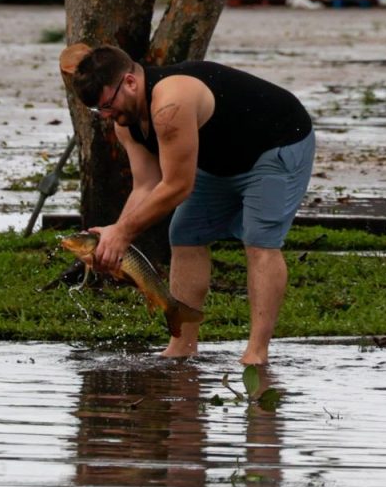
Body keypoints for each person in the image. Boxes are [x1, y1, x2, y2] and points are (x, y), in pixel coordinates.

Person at [65, 44, 315, 365]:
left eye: (108, 105)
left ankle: (256, 353)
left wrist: (123, 234)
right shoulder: (125, 121)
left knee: (259, 240)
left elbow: (178, 186)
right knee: (185, 233)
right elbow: (146, 185)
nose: (108, 115)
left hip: (277, 143)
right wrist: (114, 238)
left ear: (129, 82)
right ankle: (182, 346)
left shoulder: (170, 102)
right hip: (219, 160)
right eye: (100, 111)